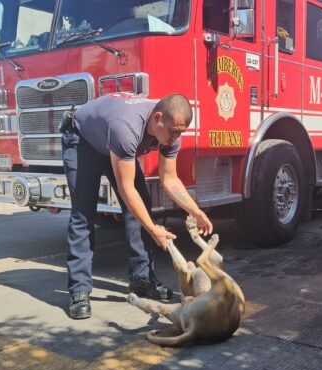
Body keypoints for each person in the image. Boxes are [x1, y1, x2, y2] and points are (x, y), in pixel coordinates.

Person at [60, 93, 213, 319]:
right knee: (83, 213)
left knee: (141, 207)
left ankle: (141, 280)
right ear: (158, 118)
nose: (176, 137)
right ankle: (79, 290)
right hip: (83, 140)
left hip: (114, 144)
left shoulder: (171, 130)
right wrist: (153, 229)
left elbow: (169, 179)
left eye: (181, 132)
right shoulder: (127, 127)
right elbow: (125, 188)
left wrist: (196, 211)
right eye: (173, 131)